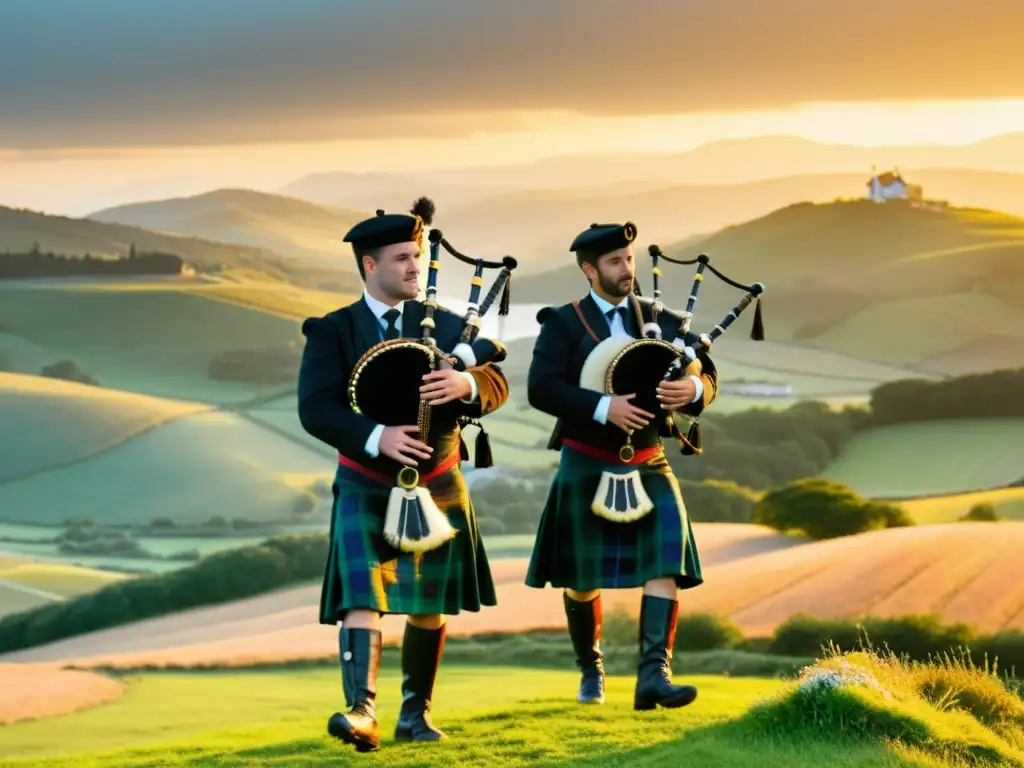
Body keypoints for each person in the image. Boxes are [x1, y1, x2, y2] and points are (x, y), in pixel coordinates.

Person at [297, 198, 510, 753]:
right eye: (401, 259)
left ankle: (415, 714)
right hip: (366, 478)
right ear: (370, 266)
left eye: (418, 256)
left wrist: (467, 386)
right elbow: (315, 409)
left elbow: (497, 384)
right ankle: (361, 711)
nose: (416, 267)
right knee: (362, 596)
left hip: (436, 477)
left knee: (428, 602)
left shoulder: (445, 326)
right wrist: (377, 437)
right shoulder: (333, 331)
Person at [523, 221, 718, 711]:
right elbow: (541, 388)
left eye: (629, 259)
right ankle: (591, 669)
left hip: (650, 459)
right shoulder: (564, 323)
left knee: (666, 563)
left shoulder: (663, 319)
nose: (626, 269)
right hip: (587, 459)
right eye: (614, 262)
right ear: (590, 270)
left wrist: (692, 391)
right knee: (580, 575)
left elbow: (706, 373)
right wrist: (600, 407)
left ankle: (655, 674)